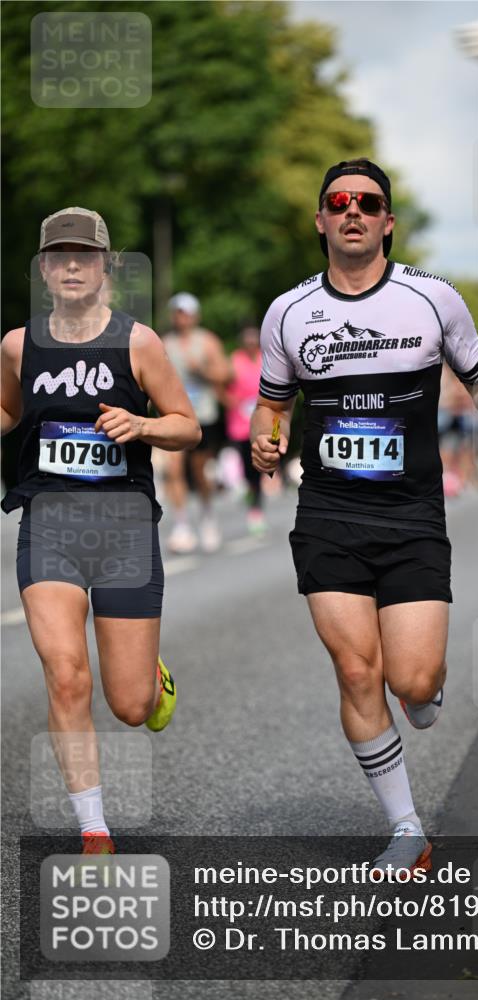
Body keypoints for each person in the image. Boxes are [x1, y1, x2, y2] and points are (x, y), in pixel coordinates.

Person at [251, 159, 478, 875]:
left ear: (387, 222)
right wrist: (265, 432)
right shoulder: (288, 311)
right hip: (329, 513)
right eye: (338, 202)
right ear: (319, 220)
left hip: (410, 515)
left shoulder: (431, 299)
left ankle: (422, 687)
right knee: (354, 667)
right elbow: (273, 402)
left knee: (410, 679)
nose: (352, 212)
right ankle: (406, 828)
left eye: (367, 203)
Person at [0, 207, 201, 853]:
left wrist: (141, 426)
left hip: (124, 532)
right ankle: (93, 828)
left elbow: (186, 424)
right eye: (58, 256)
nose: (70, 266)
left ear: (105, 265)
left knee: (131, 705)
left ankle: (150, 678)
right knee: (65, 672)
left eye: (83, 255)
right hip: (49, 525)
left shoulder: (138, 342)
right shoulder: (16, 345)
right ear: (43, 268)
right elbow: (8, 407)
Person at [162, 293, 229, 553]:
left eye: (186, 312)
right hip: (174, 415)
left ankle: (207, 515)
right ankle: (181, 525)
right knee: (174, 470)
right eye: (177, 312)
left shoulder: (208, 341)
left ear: (195, 315)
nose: (182, 317)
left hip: (203, 416)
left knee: (200, 472)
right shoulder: (164, 343)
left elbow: (225, 374)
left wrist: (201, 370)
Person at [224, 325, 266, 534]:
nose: (250, 344)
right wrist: (230, 401)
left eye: (253, 341)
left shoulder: (266, 359)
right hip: (239, 425)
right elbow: (221, 387)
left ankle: (256, 510)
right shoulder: (234, 361)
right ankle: (243, 490)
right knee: (242, 465)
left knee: (257, 467)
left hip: (261, 424)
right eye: (247, 341)